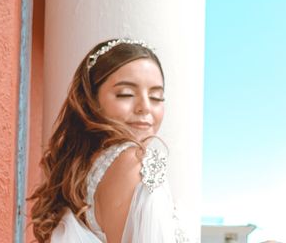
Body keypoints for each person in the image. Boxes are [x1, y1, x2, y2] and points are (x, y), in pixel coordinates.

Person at [28, 38, 188, 243]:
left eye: (156, 97)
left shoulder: (83, 174)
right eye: (126, 94)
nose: (145, 107)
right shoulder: (135, 162)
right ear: (90, 100)